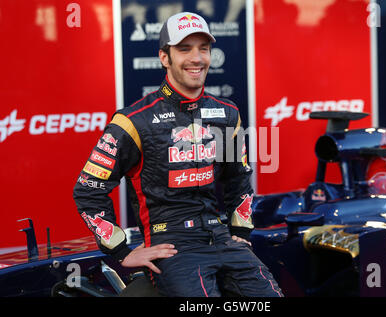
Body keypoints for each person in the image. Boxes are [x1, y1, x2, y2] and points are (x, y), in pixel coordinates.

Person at [73, 11, 283, 297]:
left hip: (222, 238)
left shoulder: (227, 114)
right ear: (164, 57)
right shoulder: (133, 121)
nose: (196, 58)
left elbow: (239, 179)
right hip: (171, 244)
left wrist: (241, 233)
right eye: (184, 49)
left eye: (203, 49)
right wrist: (121, 252)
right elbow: (88, 190)